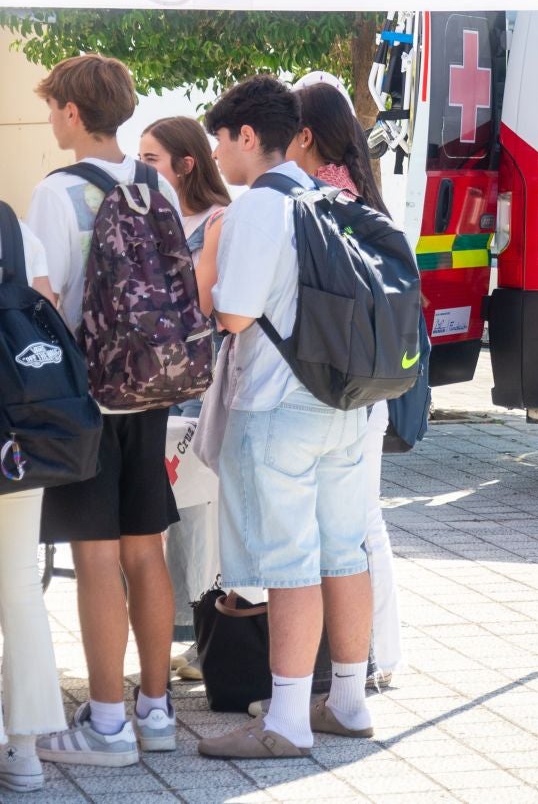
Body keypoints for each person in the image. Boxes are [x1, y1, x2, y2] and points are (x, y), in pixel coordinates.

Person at [195, 76, 376, 757]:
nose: (217, 156)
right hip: (340, 401)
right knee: (342, 550)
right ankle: (349, 702)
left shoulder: (255, 209)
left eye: (220, 140)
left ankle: (287, 721)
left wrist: (210, 269)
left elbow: (235, 314)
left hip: (274, 403)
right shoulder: (326, 195)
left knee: (290, 564)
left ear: (248, 136)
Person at [27, 55, 182, 769]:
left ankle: (107, 726)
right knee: (145, 549)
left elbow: (46, 296)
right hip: (151, 388)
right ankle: (154, 712)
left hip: (89, 397)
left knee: (94, 557)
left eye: (55, 106)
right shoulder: (157, 183)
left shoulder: (57, 193)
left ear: (72, 113)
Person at [285, 80, 404, 683]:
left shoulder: (318, 200)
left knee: (354, 528)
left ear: (303, 135)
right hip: (371, 384)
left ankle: (376, 655)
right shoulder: (360, 191)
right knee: (363, 523)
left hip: (341, 387)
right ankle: (378, 654)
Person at [137, 116, 233, 682]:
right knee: (161, 514)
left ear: (185, 163)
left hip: (197, 383)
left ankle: (204, 636)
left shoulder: (218, 219)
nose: (141, 169)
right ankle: (170, 631)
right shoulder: (151, 216)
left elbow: (197, 303)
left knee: (196, 511)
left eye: (151, 160)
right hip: (155, 383)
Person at [0, 215, 67, 792]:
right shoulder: (15, 228)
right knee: (19, 584)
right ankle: (24, 751)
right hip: (21, 434)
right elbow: (45, 322)